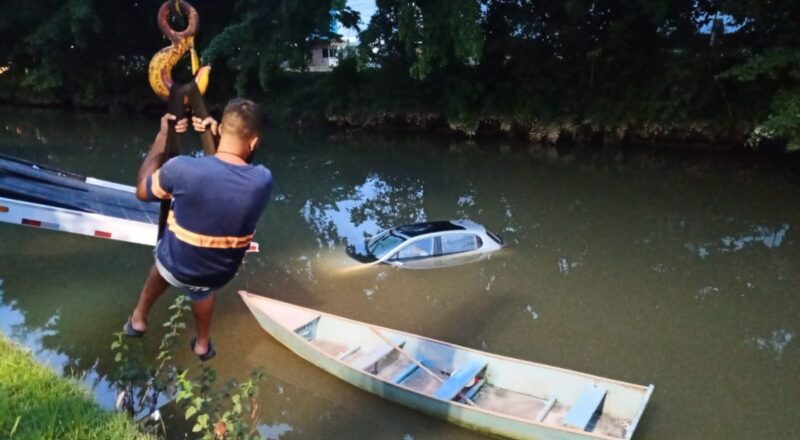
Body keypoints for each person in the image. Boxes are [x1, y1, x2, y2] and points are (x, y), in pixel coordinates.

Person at [123, 98, 272, 361]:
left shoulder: (181, 168)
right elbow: (233, 168)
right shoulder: (262, 180)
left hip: (175, 264)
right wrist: (218, 135)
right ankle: (202, 344)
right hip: (218, 273)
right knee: (202, 287)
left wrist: (162, 136)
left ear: (222, 129)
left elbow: (142, 191)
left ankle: (138, 319)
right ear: (255, 142)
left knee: (162, 263)